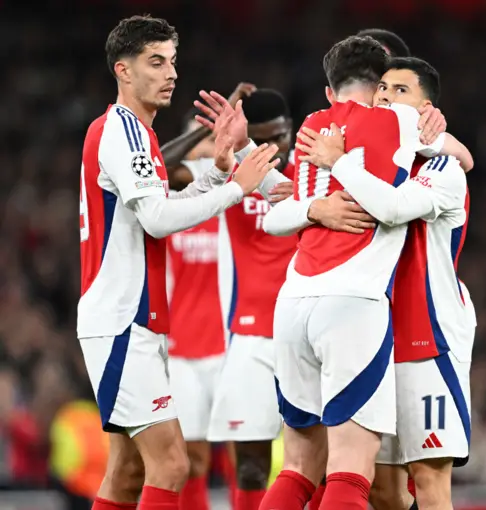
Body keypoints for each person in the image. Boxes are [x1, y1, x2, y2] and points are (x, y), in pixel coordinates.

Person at [76, 15, 281, 510]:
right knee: (171, 463)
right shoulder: (119, 131)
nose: (170, 73)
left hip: (135, 321)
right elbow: (159, 219)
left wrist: (222, 172)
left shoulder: (137, 134)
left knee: (127, 473)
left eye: (172, 61)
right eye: (155, 62)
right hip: (122, 320)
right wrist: (236, 189)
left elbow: (167, 198)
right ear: (123, 70)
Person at [266, 56, 476, 510]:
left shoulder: (443, 172)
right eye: (382, 88)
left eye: (400, 90)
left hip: (427, 341)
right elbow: (280, 207)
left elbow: (393, 206)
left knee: (429, 481)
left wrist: (340, 163)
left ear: (427, 108)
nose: (385, 97)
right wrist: (315, 203)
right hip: (373, 336)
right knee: (379, 487)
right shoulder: (376, 158)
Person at [163, 87, 299, 510]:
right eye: (260, 138)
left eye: (279, 136)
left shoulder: (312, 170)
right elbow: (160, 169)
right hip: (243, 334)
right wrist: (211, 133)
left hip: (302, 328)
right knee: (243, 464)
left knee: (320, 459)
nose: (272, 147)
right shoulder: (230, 172)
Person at [164, 112, 227, 510]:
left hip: (230, 345)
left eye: (213, 142)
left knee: (246, 455)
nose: (206, 151)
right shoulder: (170, 206)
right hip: (181, 349)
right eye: (198, 143)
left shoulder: (235, 202)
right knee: (192, 458)